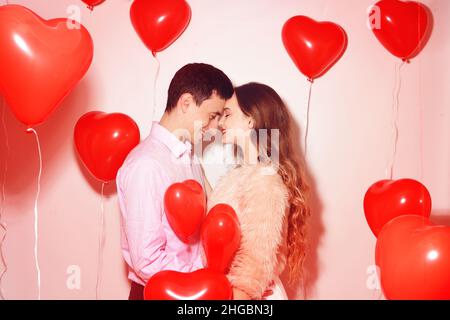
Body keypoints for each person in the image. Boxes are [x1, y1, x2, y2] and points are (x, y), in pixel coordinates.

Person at [116, 63, 234, 300]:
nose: (213, 128)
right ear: (186, 103)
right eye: (211, 117)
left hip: (192, 291)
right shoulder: (146, 164)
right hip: (160, 293)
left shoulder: (189, 156)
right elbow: (147, 260)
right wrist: (205, 278)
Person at [207, 82, 311, 300]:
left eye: (227, 114)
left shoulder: (265, 180)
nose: (221, 122)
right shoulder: (240, 175)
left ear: (250, 120)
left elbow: (255, 265)